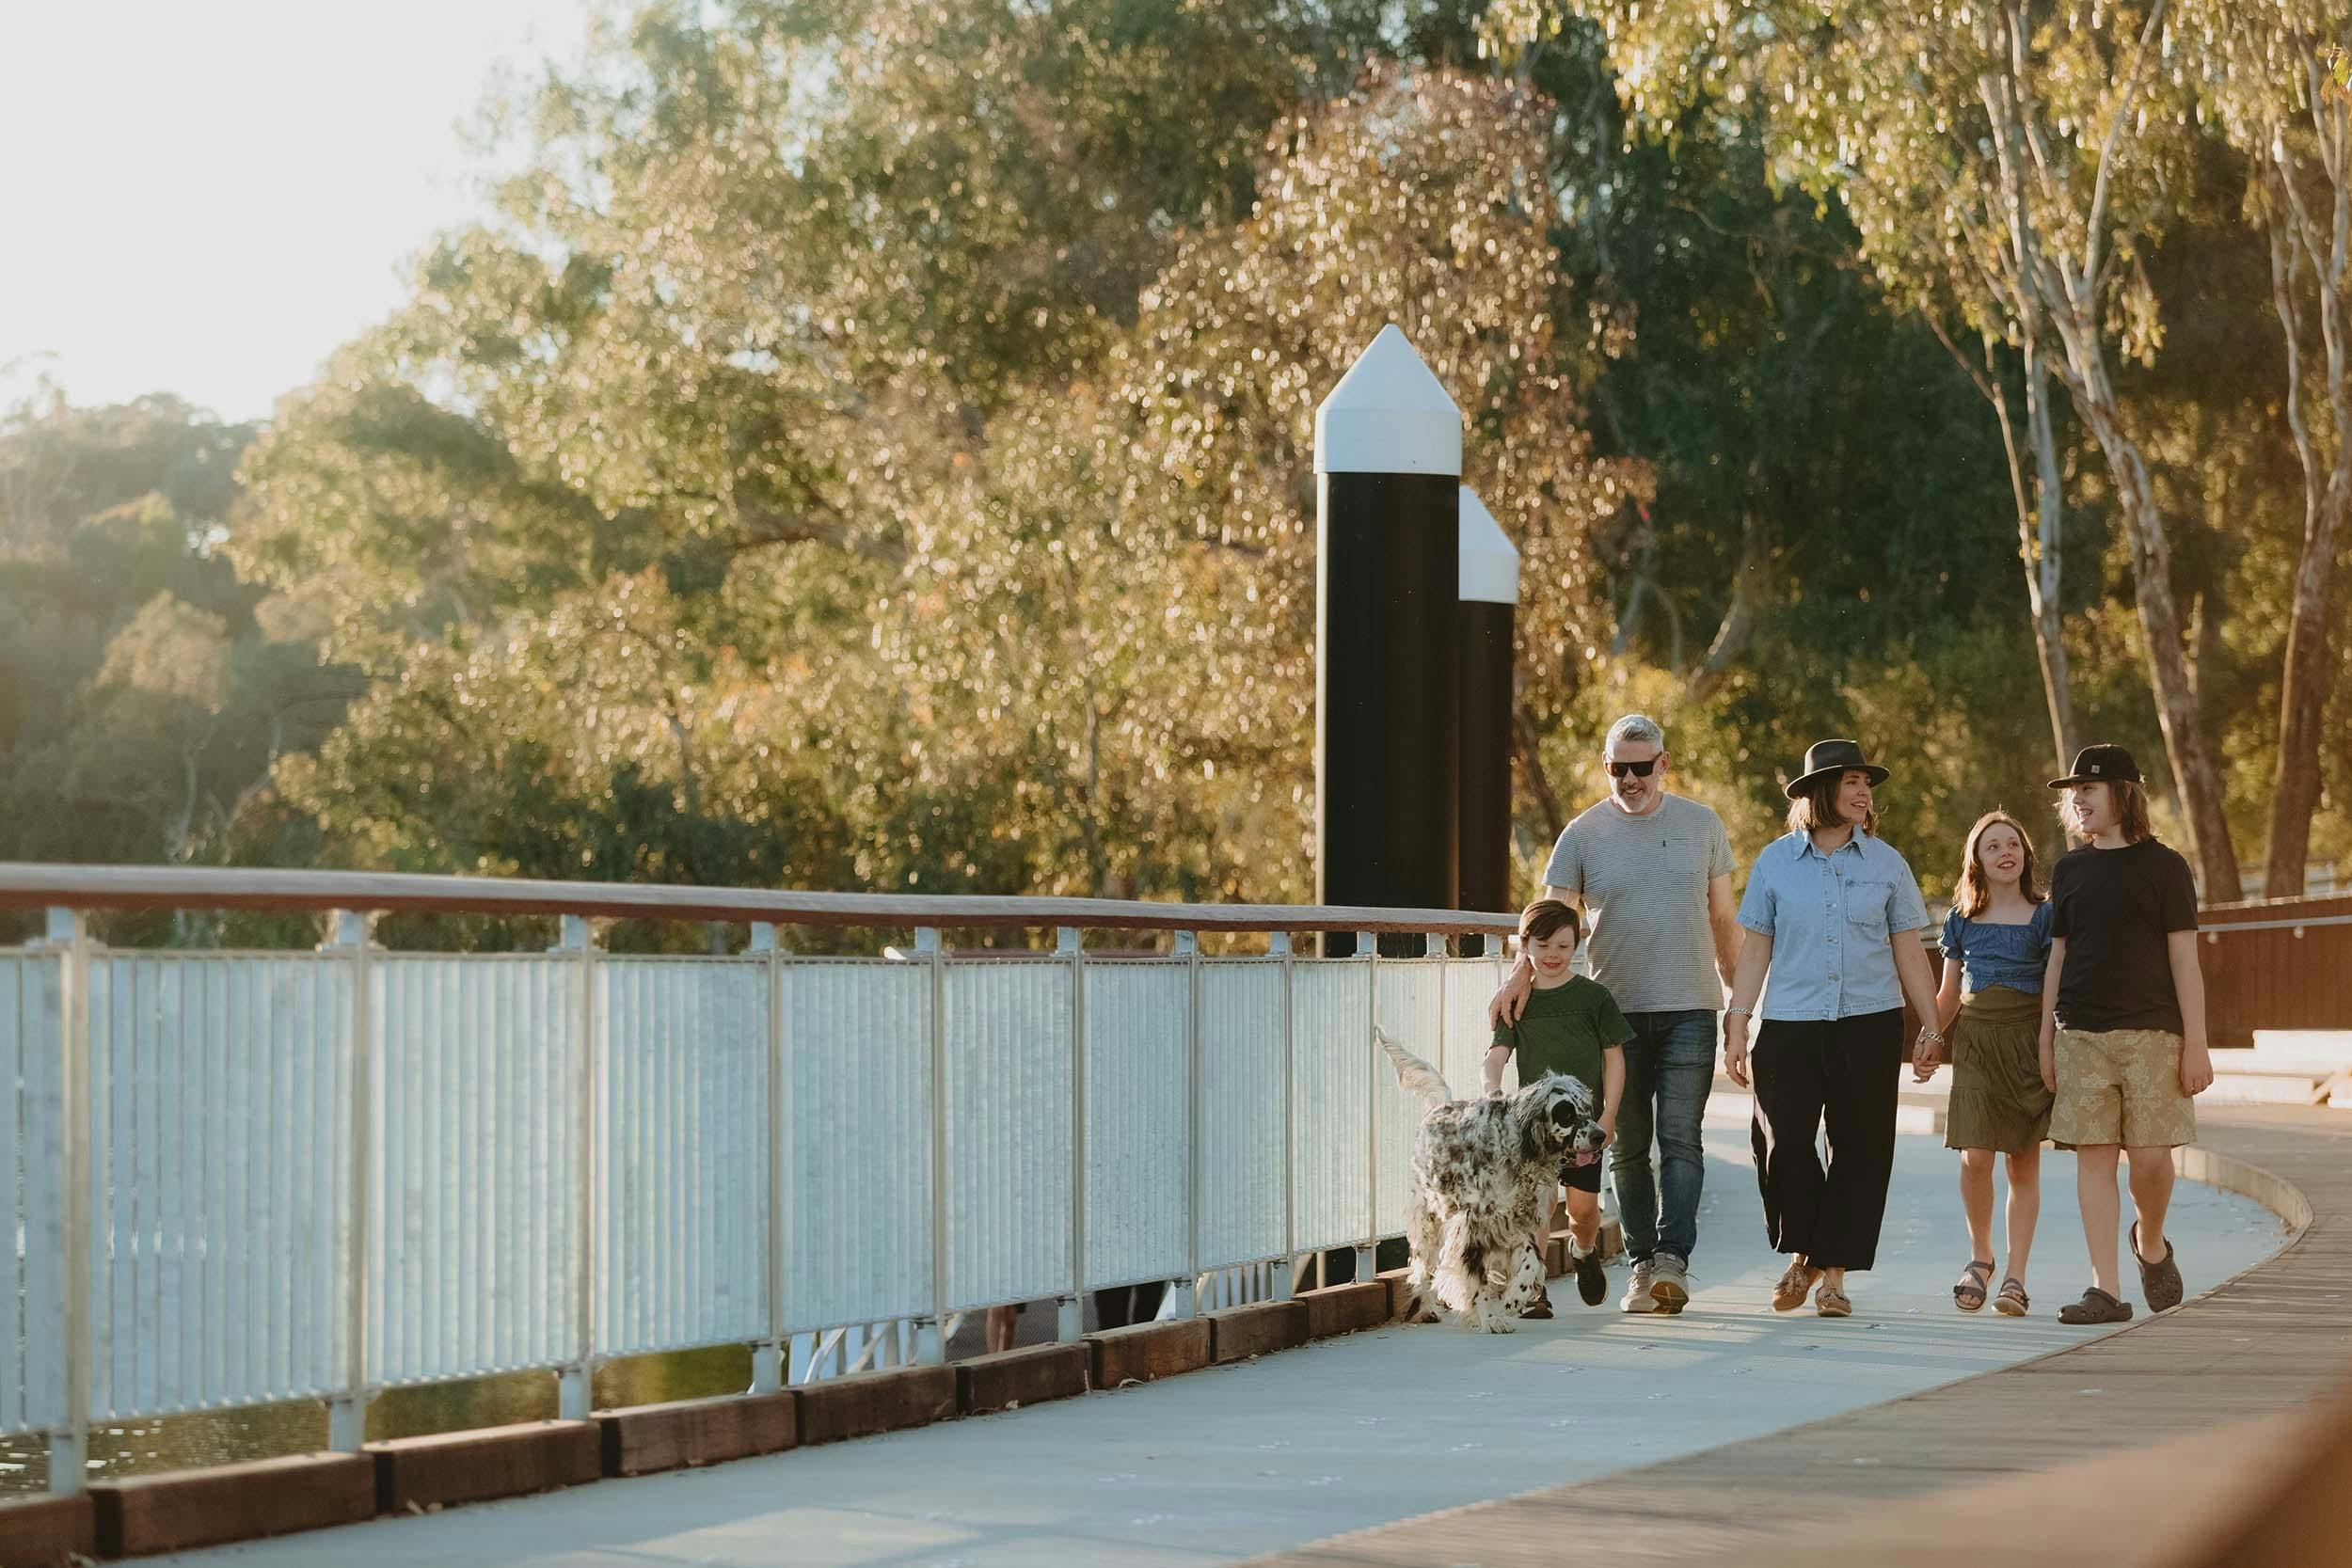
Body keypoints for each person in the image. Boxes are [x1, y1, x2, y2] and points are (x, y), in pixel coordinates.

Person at [1489, 714, 1740, 1316]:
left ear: (1664, 763)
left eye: (1642, 767)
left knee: (1682, 1140)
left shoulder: (1702, 826)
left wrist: (1740, 1009)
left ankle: (1674, 1263)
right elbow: (1547, 926)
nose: (1631, 779)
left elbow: (1724, 920)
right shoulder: (1580, 835)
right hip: (1612, 1016)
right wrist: (1520, 979)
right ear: (1606, 767)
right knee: (1627, 1146)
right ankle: (1641, 1265)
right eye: (1618, 768)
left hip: (1689, 1008)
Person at [1722, 739, 1942, 1319]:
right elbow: (1755, 951)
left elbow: (1910, 953)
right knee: (1783, 1142)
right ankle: (1807, 1249)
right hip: (1790, 1021)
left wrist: (1932, 1027)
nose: (1865, 792)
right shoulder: (1773, 863)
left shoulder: (1888, 864)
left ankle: (1831, 1275)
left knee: (1862, 1149)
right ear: (1821, 791)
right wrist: (1738, 1023)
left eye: (1867, 783)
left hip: (1868, 1021)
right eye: (1852, 782)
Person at [2038, 745, 2214, 1326]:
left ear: (2125, 794)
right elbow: (2057, 960)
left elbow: (2185, 961)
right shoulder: (2069, 870)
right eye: (2074, 793)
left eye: (2090, 789)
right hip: (2080, 1033)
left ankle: (2151, 1241)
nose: (2078, 800)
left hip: (2155, 1033)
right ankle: (2105, 1289)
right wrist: (2046, 1040)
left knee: (2150, 1159)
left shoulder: (2167, 866)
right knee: (2093, 1158)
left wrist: (2198, 1042)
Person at [1924, 810, 2056, 1317]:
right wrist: (1930, 1037)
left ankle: (2016, 1278)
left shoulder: (2045, 915)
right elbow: (1949, 992)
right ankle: (1981, 1257)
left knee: (2022, 1162)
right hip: (1977, 1041)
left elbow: (2053, 988)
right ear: (1976, 860)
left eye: (2013, 844)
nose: (2005, 852)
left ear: (2025, 855)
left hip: (2027, 1040)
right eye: (1992, 845)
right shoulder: (1961, 919)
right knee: (1974, 1155)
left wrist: (2048, 1046)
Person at [1485, 898, 1628, 1315]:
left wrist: (1609, 1115)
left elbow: (1614, 1058)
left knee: (1582, 1211)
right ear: (1525, 944)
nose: (1552, 955)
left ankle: (1584, 1252)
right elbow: (1495, 1056)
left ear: (1577, 945)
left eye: (1563, 947)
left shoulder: (1594, 997)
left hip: (1584, 1128)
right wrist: (1493, 1093)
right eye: (1543, 945)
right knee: (1538, 1205)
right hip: (1536, 1130)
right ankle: (1533, 1287)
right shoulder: (1517, 1002)